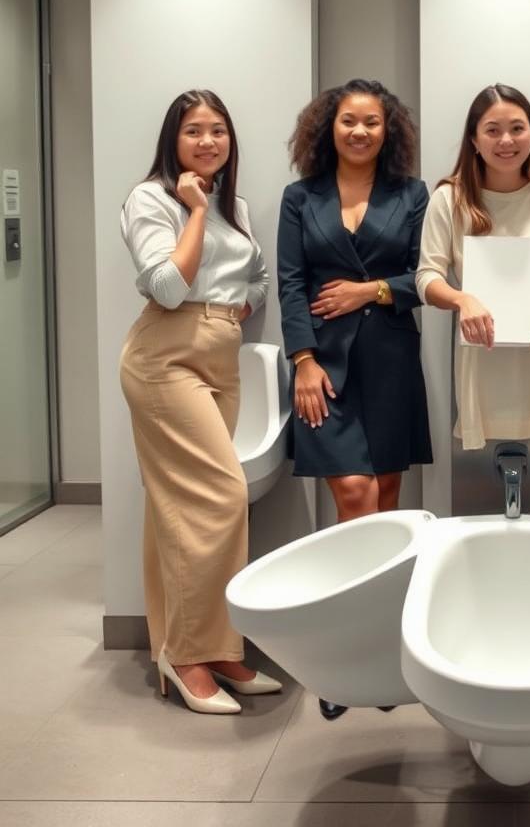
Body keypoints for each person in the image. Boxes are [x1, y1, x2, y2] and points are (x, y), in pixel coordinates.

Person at [120, 89, 280, 715]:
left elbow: (258, 275)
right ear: (173, 140)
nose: (208, 142)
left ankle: (212, 647)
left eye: (218, 131)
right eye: (194, 131)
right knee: (219, 496)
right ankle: (188, 656)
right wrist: (190, 210)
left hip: (221, 357)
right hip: (166, 357)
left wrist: (241, 304)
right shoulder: (152, 199)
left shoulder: (232, 204)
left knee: (179, 507)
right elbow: (165, 285)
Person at [278, 79, 432, 719]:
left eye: (372, 122)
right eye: (348, 121)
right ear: (328, 127)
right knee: (356, 498)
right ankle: (344, 659)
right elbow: (290, 282)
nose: (360, 131)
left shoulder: (412, 194)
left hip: (392, 361)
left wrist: (368, 292)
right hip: (327, 368)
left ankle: (384, 655)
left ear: (387, 130)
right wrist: (303, 360)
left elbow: (429, 275)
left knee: (390, 508)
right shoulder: (298, 197)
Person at [416, 84, 530, 451]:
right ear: (474, 140)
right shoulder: (450, 198)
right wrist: (462, 301)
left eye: (517, 128)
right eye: (492, 130)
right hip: (481, 360)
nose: (506, 140)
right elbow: (426, 277)